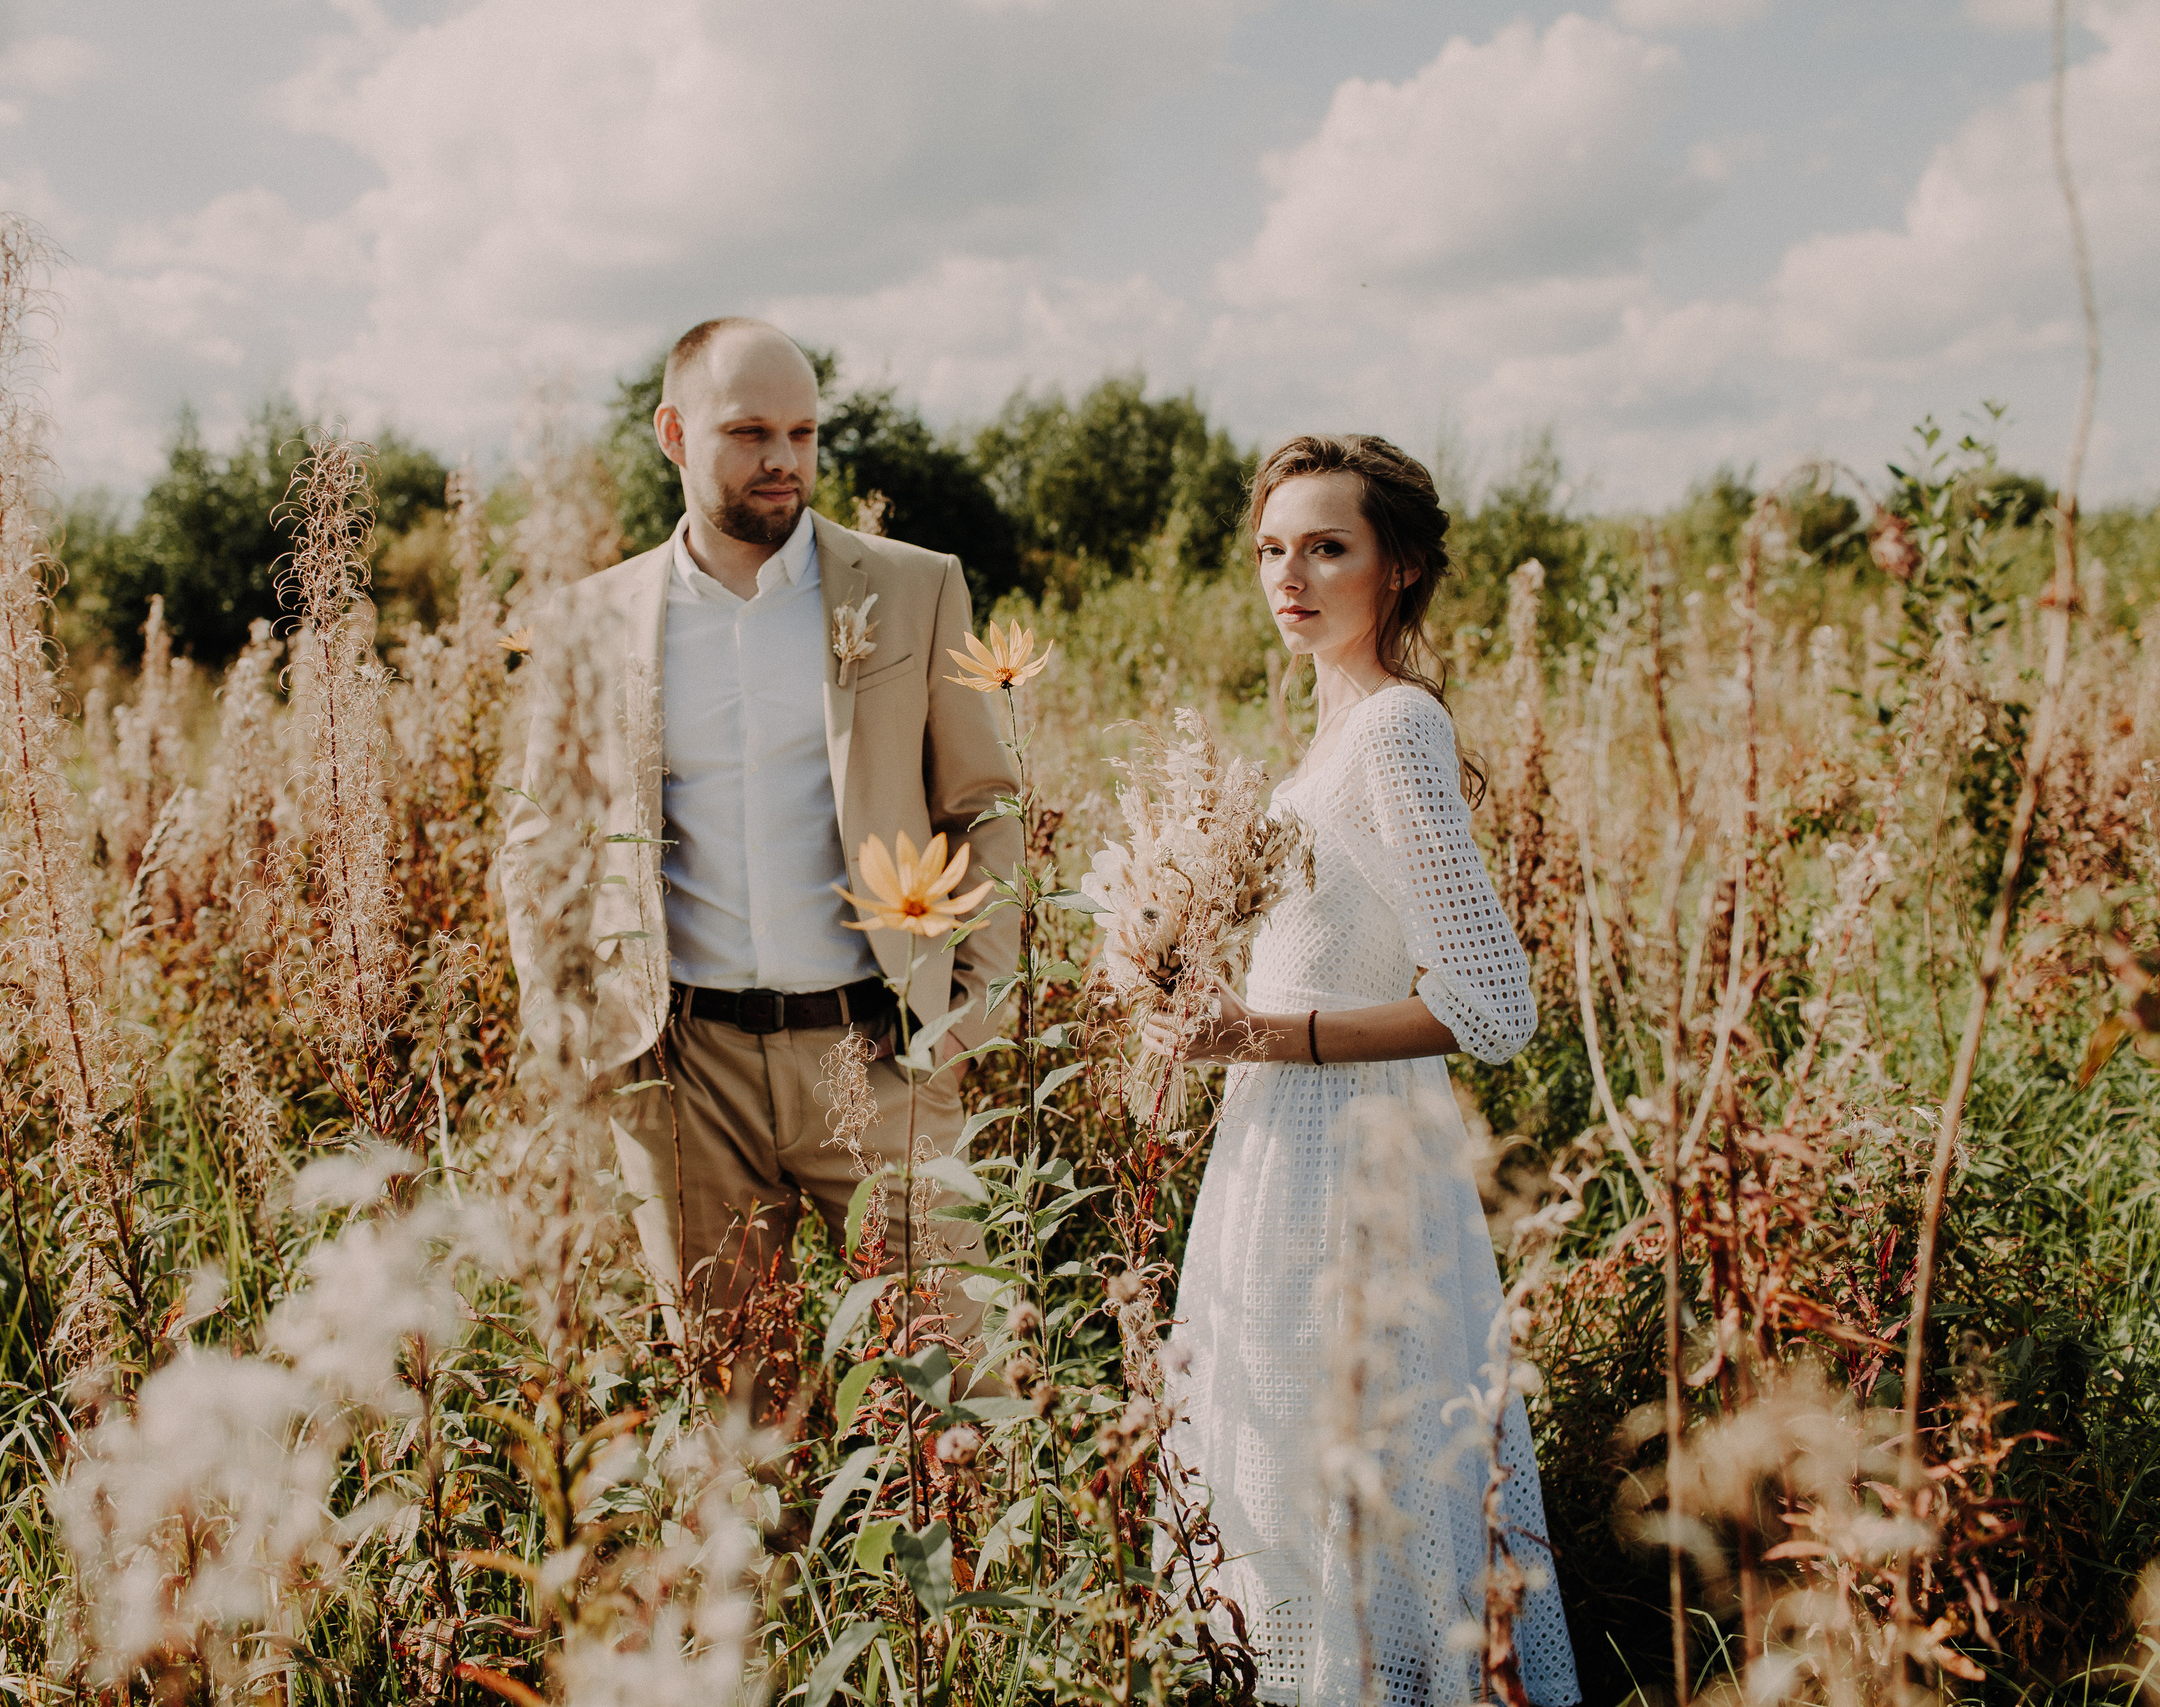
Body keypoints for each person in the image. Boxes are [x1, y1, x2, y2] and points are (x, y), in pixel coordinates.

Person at [495, 317, 1020, 1386]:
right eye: (748, 432)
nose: (783, 459)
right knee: (735, 1415)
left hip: (877, 1051)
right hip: (684, 1069)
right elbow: (539, 838)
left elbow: (983, 802)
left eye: (802, 432)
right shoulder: (589, 622)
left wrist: (970, 1007)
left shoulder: (913, 588)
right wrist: (582, 1033)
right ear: (674, 434)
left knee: (957, 1388)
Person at [1138, 435, 1580, 1704]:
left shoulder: (1391, 725)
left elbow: (1490, 1001)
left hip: (1357, 1157)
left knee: (1355, 1478)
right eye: (1273, 548)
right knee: (1280, 1474)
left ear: (1402, 568)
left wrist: (1273, 1036)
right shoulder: (1332, 725)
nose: (1291, 574)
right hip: (1278, 1149)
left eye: (1327, 546)